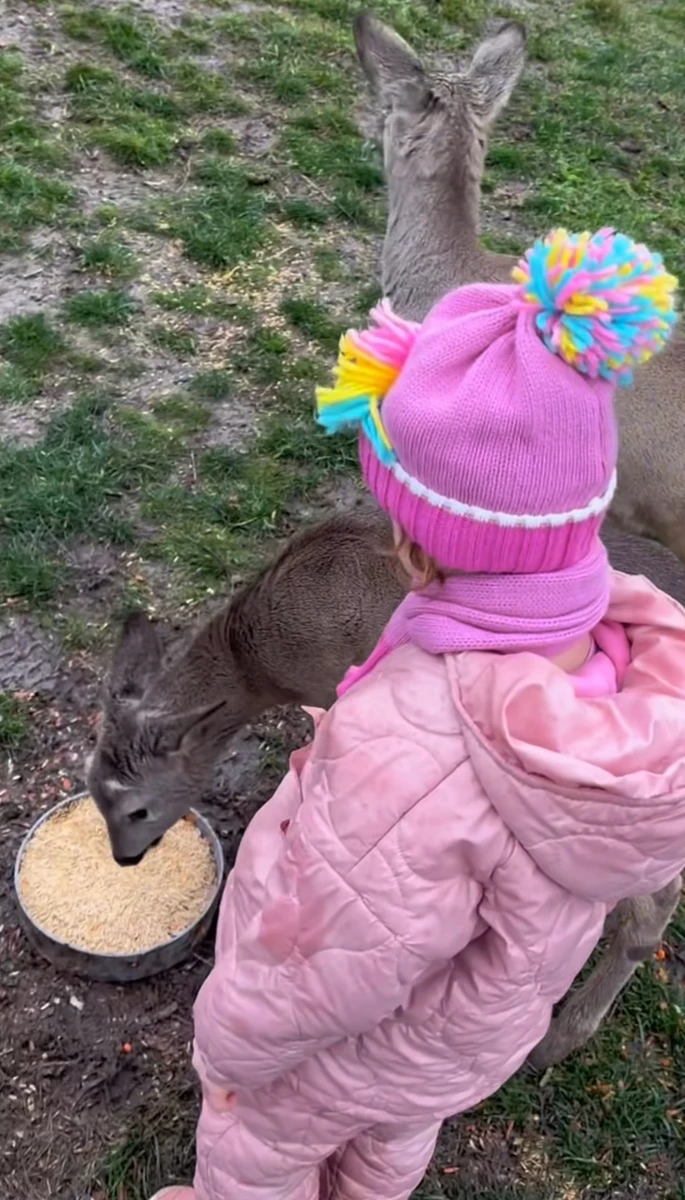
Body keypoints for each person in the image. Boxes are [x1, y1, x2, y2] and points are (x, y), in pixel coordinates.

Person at [151, 228, 685, 1200]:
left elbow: (329, 968)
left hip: (336, 1056)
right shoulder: (644, 670)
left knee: (258, 1149)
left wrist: (226, 1042)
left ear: (415, 550)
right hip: (451, 1053)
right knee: (388, 1143)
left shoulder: (411, 758)